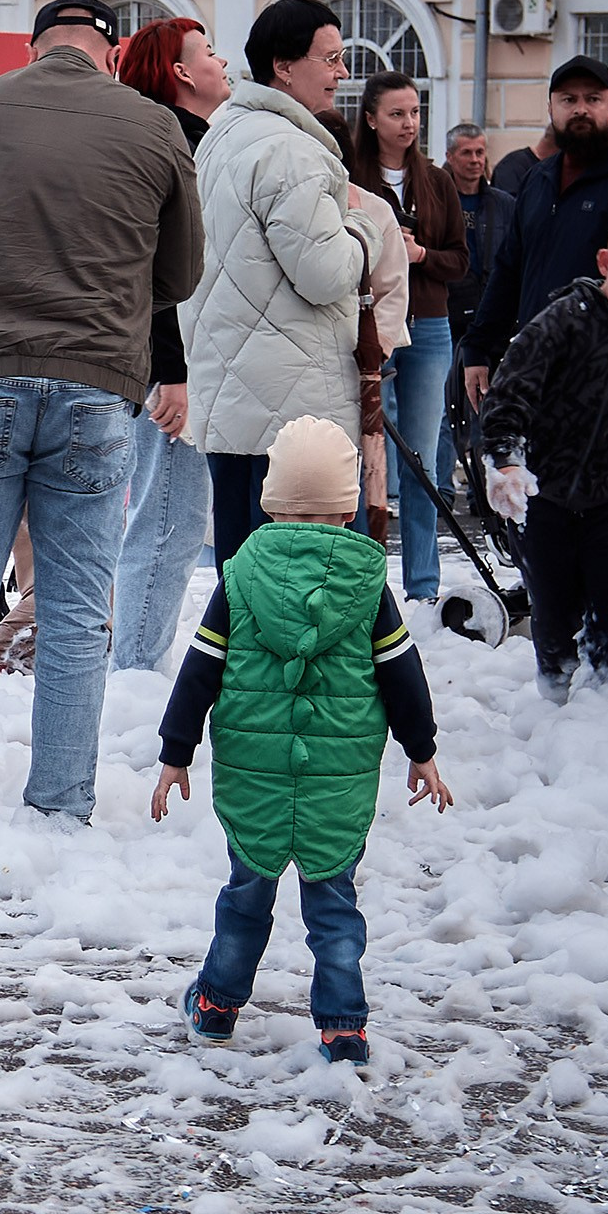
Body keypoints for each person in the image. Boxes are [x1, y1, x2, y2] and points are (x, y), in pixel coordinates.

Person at [0, 0, 202, 856]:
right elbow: (181, 270)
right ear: (108, 51)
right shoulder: (156, 127)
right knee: (76, 607)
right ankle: (59, 805)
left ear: (33, 49)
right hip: (97, 382)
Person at [156, 416, 450, 1067]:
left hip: (254, 773)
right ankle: (344, 1028)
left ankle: (215, 1007)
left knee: (245, 897)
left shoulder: (238, 579)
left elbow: (199, 672)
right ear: (349, 505)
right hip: (335, 776)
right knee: (335, 905)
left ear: (269, 497)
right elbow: (403, 676)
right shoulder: (367, 585)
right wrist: (421, 750)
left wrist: (176, 754)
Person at [183, 0, 379, 567]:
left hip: (234, 397)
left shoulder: (224, 134)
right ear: (284, 66)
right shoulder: (291, 150)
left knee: (243, 582)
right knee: (294, 588)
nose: (343, 72)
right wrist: (365, 231)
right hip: (294, 413)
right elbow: (322, 275)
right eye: (332, 58)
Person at [479, 205, 608, 699]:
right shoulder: (560, 323)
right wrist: (506, 460)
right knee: (554, 616)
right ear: (604, 264)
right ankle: (554, 705)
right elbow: (511, 396)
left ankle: (607, 712)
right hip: (543, 495)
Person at [105, 19, 230, 667]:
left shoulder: (176, 138)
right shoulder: (175, 143)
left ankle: (131, 658)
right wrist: (175, 372)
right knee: (169, 521)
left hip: (164, 359)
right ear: (180, 72)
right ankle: (133, 669)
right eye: (208, 52)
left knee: (162, 517)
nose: (222, 61)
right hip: (170, 363)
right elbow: (160, 270)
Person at [463, 56, 608, 407]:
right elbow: (509, 268)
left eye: (592, 99)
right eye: (569, 100)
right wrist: (478, 348)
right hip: (536, 370)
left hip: (606, 379)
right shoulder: (537, 179)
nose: (580, 109)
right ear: (550, 108)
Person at [346, 72, 468, 615]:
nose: (409, 124)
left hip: (430, 325)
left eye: (415, 113)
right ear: (371, 118)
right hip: (368, 326)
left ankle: (422, 585)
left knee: (420, 457)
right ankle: (356, 573)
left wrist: (419, 257)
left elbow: (461, 262)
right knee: (357, 454)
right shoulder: (350, 174)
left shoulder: (437, 181)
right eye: (397, 114)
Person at [441, 121, 513, 499]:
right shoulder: (437, 197)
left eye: (480, 152)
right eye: (466, 153)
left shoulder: (502, 204)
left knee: (489, 404)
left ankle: (485, 491)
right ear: (450, 156)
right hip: (447, 314)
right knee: (444, 410)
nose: (474, 160)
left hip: (490, 321)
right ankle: (441, 488)